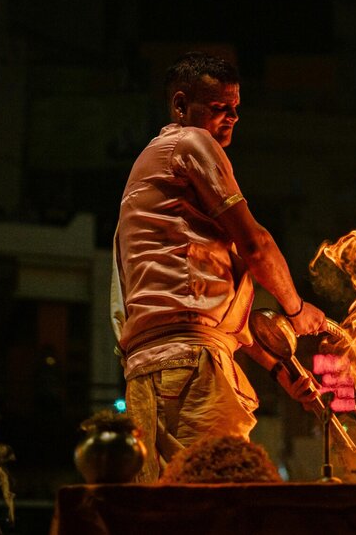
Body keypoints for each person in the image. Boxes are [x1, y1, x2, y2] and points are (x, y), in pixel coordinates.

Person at [112, 52, 326, 481]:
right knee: (221, 506)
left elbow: (207, 315)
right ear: (180, 106)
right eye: (218, 108)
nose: (230, 118)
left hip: (155, 375)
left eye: (235, 109)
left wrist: (282, 369)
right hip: (191, 369)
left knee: (168, 514)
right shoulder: (190, 144)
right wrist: (297, 309)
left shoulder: (153, 172)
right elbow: (256, 244)